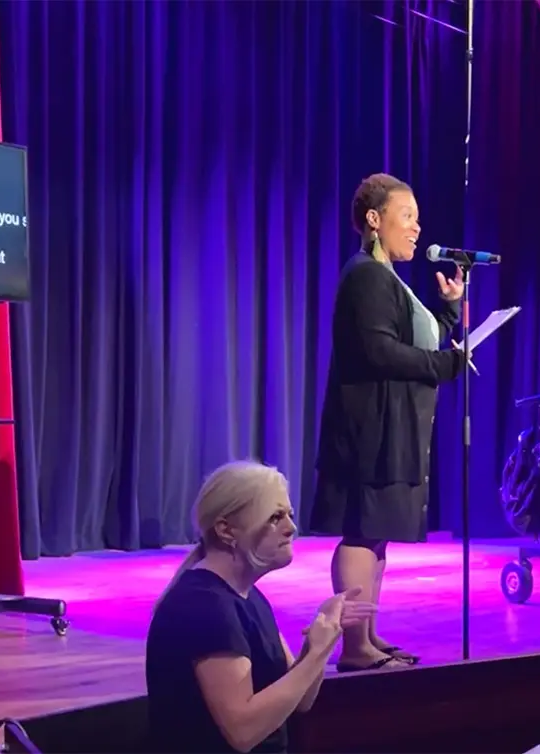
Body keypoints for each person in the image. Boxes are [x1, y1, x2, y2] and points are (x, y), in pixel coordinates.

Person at [310, 173, 467, 672]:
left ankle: (369, 638)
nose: (417, 228)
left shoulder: (386, 278)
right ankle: (354, 648)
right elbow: (379, 351)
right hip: (366, 431)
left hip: (387, 430)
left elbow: (416, 342)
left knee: (375, 534)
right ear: (374, 220)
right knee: (360, 532)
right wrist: (446, 366)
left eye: (418, 219)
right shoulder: (365, 275)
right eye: (408, 216)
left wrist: (450, 311)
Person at [145, 461, 377, 754]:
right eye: (275, 517)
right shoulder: (205, 607)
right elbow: (243, 732)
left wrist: (320, 641)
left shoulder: (249, 597)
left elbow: (301, 699)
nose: (291, 527)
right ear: (227, 531)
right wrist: (316, 652)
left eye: (289, 515)